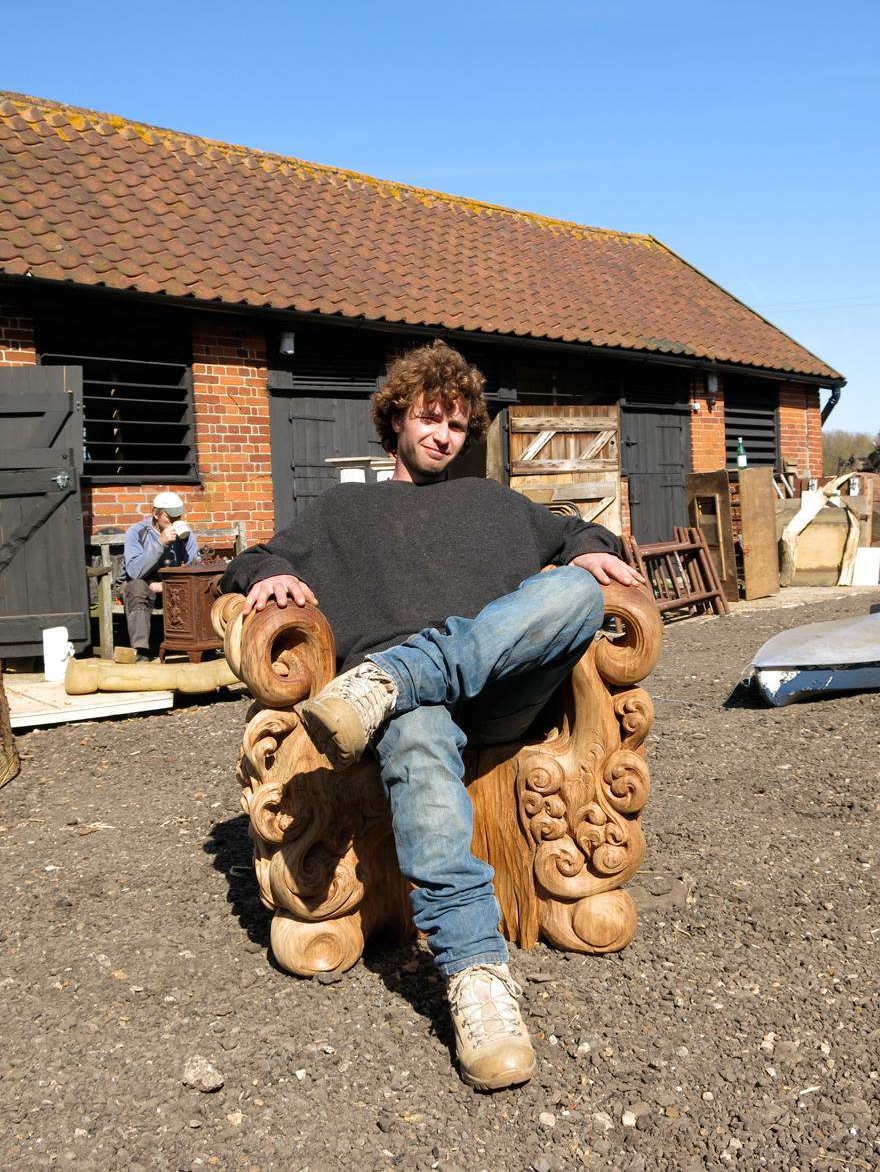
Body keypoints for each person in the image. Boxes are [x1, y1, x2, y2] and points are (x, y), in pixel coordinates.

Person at [220, 341, 644, 1091]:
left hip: (497, 697)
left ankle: (397, 676)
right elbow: (250, 559)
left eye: (455, 423)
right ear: (397, 419)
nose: (443, 435)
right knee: (416, 726)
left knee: (576, 594)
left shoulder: (494, 503)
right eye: (429, 417)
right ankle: (477, 976)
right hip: (415, 720)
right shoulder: (345, 510)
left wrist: (591, 549)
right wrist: (272, 573)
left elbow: (579, 534)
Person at [117, 492, 200, 662]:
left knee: (199, 587)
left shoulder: (185, 534)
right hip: (138, 586)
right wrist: (160, 543)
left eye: (178, 517)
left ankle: (200, 646)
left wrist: (164, 586)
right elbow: (134, 572)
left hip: (169, 586)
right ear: (156, 514)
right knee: (138, 588)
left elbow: (195, 567)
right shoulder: (136, 532)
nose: (175, 521)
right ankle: (141, 651)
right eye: (170, 517)